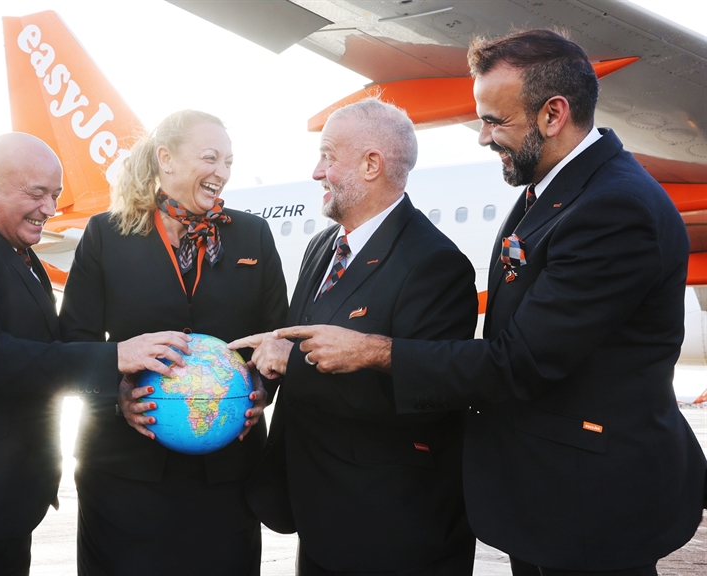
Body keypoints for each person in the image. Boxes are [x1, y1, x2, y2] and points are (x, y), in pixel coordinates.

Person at [266, 30, 706, 574]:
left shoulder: (614, 208)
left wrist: (375, 351)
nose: (482, 137)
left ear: (553, 114)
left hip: (592, 501)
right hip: (550, 495)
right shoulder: (551, 192)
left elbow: (520, 360)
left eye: (496, 121)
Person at [0, 133, 190, 576]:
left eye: (56, 195)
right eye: (37, 193)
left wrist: (120, 387)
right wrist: (114, 356)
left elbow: (47, 355)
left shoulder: (16, 254)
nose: (49, 208)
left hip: (3, 507)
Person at [230, 99, 478, 574]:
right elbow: (294, 342)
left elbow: (427, 396)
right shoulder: (324, 245)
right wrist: (260, 385)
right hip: (320, 512)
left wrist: (291, 364)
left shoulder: (435, 265)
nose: (316, 171)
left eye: (327, 156)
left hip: (390, 526)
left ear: (371, 165)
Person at [58, 109, 288, 575]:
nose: (222, 172)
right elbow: (73, 341)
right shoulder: (106, 234)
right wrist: (115, 398)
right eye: (210, 158)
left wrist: (263, 390)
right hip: (124, 473)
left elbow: (276, 336)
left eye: (228, 162)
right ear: (166, 158)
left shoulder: (252, 235)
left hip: (226, 477)